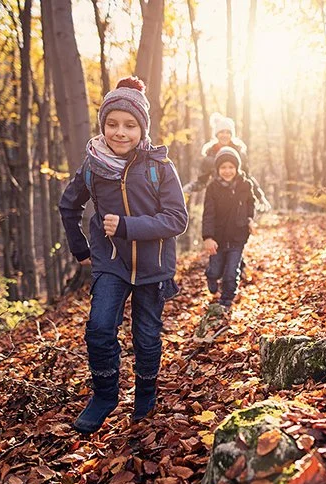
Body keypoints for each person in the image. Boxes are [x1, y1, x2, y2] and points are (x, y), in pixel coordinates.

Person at [58, 76, 188, 434]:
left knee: (146, 336)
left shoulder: (159, 167)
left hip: (153, 266)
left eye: (129, 125)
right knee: (99, 328)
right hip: (110, 264)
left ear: (142, 128)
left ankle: (145, 393)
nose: (120, 132)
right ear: (103, 126)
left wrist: (129, 226)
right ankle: (104, 395)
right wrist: (81, 249)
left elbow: (177, 219)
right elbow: (68, 207)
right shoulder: (92, 166)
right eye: (112, 124)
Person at [202, 146, 255, 312]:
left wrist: (250, 219)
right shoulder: (213, 188)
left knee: (231, 272)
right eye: (223, 167)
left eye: (231, 167)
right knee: (216, 269)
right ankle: (211, 276)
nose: (227, 171)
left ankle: (226, 301)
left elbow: (250, 204)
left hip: (237, 236)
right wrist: (208, 237)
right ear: (218, 169)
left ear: (237, 168)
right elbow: (208, 213)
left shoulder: (245, 185)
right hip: (217, 236)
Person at [184, 113, 271, 212]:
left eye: (228, 132)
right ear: (216, 134)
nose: (225, 135)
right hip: (218, 200)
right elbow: (202, 182)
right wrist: (190, 187)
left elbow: (247, 177)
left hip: (239, 200)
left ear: (231, 134)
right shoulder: (209, 157)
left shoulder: (240, 154)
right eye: (221, 132)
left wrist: (260, 196)